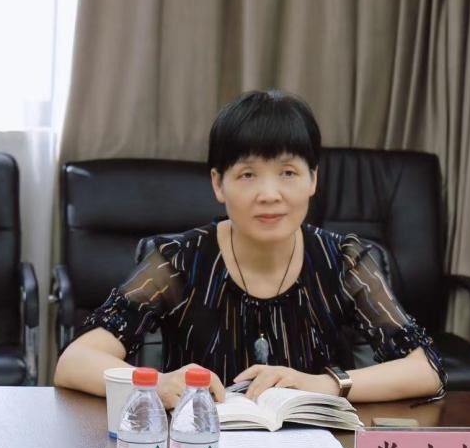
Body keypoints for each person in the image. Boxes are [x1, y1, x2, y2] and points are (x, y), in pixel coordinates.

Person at [55, 89, 445, 408]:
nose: (269, 194)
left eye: (288, 172)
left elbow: (426, 368)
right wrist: (157, 383)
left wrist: (325, 384)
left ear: (313, 179)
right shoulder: (177, 261)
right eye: (247, 174)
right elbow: (74, 361)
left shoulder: (343, 260)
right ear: (218, 184)